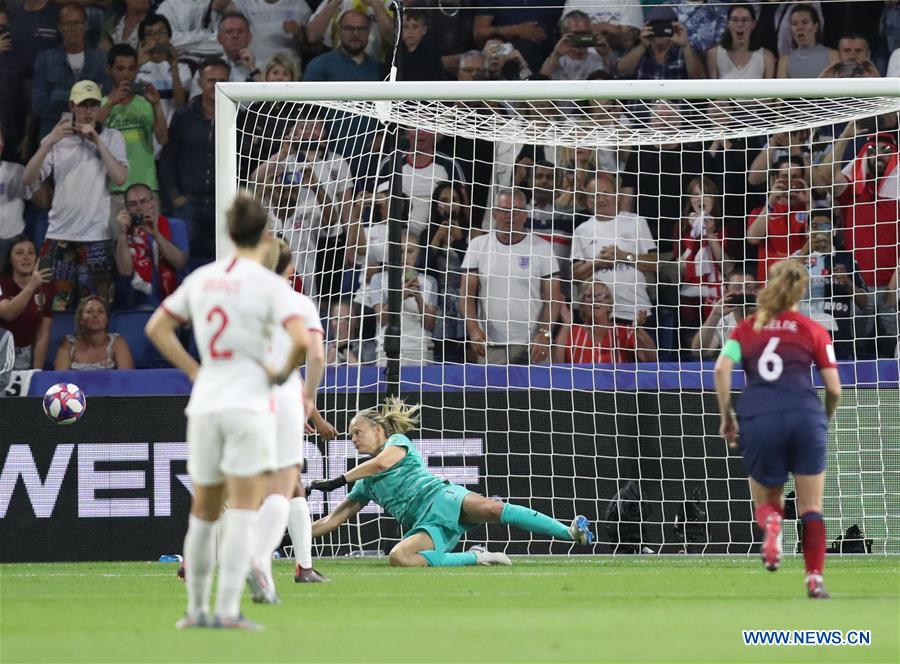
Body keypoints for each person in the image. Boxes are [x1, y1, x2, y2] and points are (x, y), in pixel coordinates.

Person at [144, 193, 313, 631]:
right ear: (261, 236)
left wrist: (195, 371)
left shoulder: (204, 277)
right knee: (241, 510)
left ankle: (196, 610)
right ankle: (227, 610)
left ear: (229, 232)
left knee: (203, 509)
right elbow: (302, 339)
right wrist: (277, 372)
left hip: (205, 404)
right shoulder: (269, 285)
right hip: (247, 405)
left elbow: (156, 328)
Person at [308, 397, 594, 567]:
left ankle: (570, 533)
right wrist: (287, 534)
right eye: (351, 435)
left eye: (358, 432)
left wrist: (338, 480)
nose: (353, 440)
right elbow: (331, 521)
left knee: (494, 509)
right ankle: (477, 557)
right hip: (425, 525)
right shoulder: (366, 484)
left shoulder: (397, 441)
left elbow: (383, 462)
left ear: (379, 429)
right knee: (399, 558)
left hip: (442, 497)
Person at [714, 260, 841, 599]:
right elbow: (834, 388)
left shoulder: (746, 328)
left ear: (767, 285)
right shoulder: (813, 329)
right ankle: (814, 579)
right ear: (801, 289)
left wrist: (727, 415)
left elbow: (721, 369)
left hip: (759, 416)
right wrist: (822, 419)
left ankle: (772, 524)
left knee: (767, 498)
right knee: (811, 506)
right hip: (805, 415)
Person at [247, 238, 329, 604]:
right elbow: (315, 357)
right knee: (282, 483)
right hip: (280, 400)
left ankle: (301, 566)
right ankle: (263, 562)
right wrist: (306, 400)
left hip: (241, 397)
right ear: (290, 270)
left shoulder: (241, 302)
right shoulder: (298, 305)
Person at [22, 80, 128, 311]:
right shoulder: (57, 139)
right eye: (83, 105)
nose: (88, 111)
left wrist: (97, 141)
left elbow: (120, 177)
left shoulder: (112, 137)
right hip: (59, 234)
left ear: (100, 106)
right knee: (51, 308)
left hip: (96, 235)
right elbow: (28, 179)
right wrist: (48, 142)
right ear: (72, 106)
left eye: (93, 105)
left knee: (96, 310)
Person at [461, 187, 562, 365]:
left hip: (533, 344)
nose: (510, 216)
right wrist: (474, 330)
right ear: (494, 213)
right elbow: (466, 295)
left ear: (525, 214)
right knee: (492, 393)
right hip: (490, 344)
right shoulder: (478, 245)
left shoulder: (543, 248)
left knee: (535, 393)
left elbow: (553, 299)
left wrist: (545, 333)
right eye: (504, 211)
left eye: (516, 211)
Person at [160, 57, 226, 262]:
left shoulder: (238, 118)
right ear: (200, 83)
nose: (216, 86)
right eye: (211, 80)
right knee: (183, 264)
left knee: (222, 266)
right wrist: (175, 196)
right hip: (187, 204)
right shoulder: (183, 116)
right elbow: (168, 159)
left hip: (223, 207)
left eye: (223, 81)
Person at [97, 44, 169, 202]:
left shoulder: (147, 103)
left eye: (131, 69)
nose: (126, 75)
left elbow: (162, 139)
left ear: (136, 70)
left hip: (146, 186)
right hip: (112, 189)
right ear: (109, 70)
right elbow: (93, 131)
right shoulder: (100, 105)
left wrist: (156, 104)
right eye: (120, 69)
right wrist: (111, 102)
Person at [31, 3, 110, 140]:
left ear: (86, 26)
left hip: (91, 136)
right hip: (53, 136)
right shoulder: (45, 59)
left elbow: (106, 100)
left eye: (77, 23)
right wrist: (87, 99)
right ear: (59, 27)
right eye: (67, 24)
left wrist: (58, 95)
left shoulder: (101, 60)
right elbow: (38, 105)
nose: (72, 28)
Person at [113, 182, 188, 307]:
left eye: (143, 201)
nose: (139, 208)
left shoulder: (175, 225)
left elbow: (180, 262)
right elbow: (125, 271)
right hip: (137, 304)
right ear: (127, 208)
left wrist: (156, 235)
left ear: (152, 202)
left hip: (173, 302)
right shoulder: (125, 232)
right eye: (133, 204)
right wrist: (122, 235)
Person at [552, 281, 657, 364]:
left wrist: (638, 330)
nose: (595, 300)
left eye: (600, 296)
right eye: (589, 296)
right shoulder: (572, 331)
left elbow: (652, 360)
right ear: (582, 306)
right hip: (580, 388)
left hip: (617, 387)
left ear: (609, 305)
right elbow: (557, 364)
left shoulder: (624, 332)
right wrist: (566, 324)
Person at [0, 236, 53, 370]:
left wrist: (36, 371)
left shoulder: (47, 287)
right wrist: (32, 286)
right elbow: (8, 313)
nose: (26, 257)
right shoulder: (2, 283)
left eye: (31, 252)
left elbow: (43, 332)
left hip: (26, 352)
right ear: (9, 259)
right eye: (19, 253)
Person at [616, 6, 705, 80]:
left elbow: (698, 76)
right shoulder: (637, 49)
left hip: (674, 101)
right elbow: (621, 71)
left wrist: (685, 45)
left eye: (664, 25)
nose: (660, 30)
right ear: (647, 27)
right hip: (643, 101)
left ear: (675, 27)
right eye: (656, 25)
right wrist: (643, 46)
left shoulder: (684, 51)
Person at [690, 269, 758, 358]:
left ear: (756, 290)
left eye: (748, 287)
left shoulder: (770, 317)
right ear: (726, 292)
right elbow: (698, 351)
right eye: (737, 287)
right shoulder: (723, 319)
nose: (743, 292)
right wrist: (714, 316)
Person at [54, 295, 134, 370]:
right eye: (89, 311)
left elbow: (127, 380)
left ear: (107, 319)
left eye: (101, 311)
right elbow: (60, 380)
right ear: (80, 320)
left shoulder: (117, 342)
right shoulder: (68, 344)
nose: (95, 315)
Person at [706, 3, 775, 79]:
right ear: (728, 23)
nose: (739, 24)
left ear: (753, 24)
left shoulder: (766, 57)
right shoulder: (714, 55)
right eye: (734, 20)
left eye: (745, 20)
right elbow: (712, 89)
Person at [775, 4, 838, 78]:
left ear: (815, 27)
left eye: (805, 22)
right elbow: (782, 89)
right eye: (795, 24)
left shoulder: (833, 56)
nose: (799, 28)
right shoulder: (784, 61)